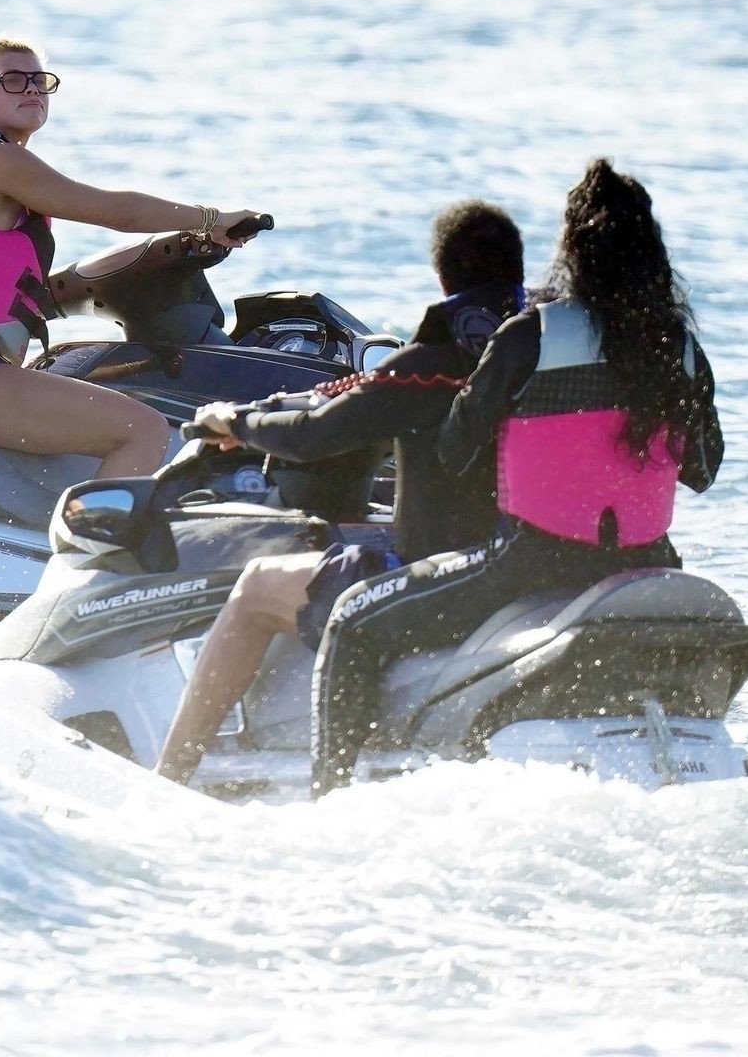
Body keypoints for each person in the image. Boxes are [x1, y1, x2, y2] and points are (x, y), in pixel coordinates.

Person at [307, 158, 724, 796]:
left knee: (352, 621)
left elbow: (456, 448)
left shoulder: (531, 336)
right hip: (647, 565)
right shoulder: (679, 349)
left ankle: (327, 799)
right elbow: (702, 469)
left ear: (573, 253)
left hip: (532, 564)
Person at [153, 200, 527, 784]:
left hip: (443, 575)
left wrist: (235, 421)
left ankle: (171, 775)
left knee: (256, 588)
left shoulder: (428, 366)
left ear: (442, 276)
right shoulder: (537, 359)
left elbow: (313, 435)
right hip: (521, 565)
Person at [0, 36, 262, 479]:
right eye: (13, 80)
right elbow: (118, 212)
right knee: (144, 430)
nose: (31, 89)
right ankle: (97, 526)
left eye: (40, 81)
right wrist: (212, 219)